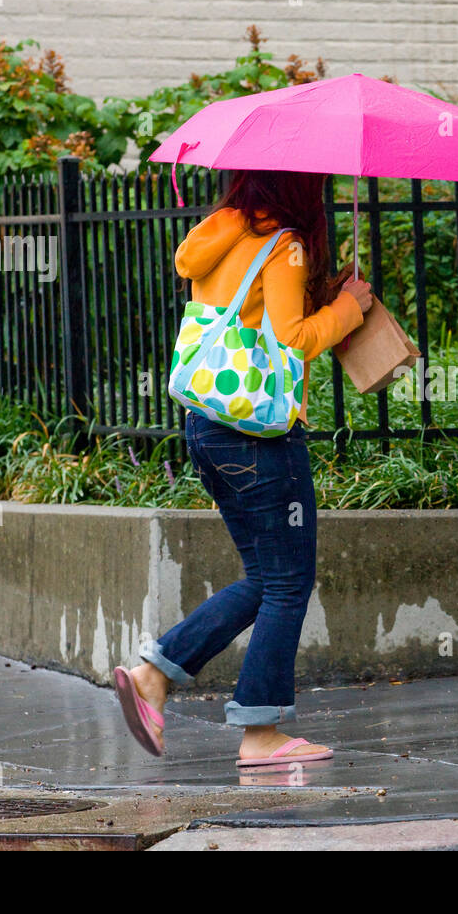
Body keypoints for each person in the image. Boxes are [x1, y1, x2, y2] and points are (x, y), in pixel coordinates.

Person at [113, 169, 372, 767]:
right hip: (259, 436)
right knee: (288, 582)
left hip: (207, 425)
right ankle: (261, 733)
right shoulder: (284, 245)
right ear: (299, 187)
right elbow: (292, 338)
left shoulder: (217, 234)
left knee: (265, 576)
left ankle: (155, 673)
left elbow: (256, 315)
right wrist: (348, 309)